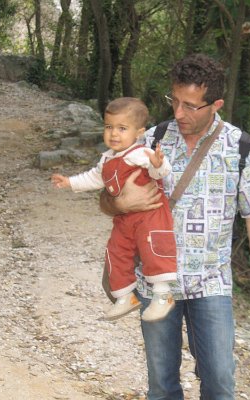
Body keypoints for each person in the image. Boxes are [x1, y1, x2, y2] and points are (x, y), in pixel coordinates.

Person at [100, 54, 250, 399]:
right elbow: (107, 197)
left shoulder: (242, 149)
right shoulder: (150, 140)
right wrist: (120, 204)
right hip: (156, 284)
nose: (179, 113)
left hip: (210, 283)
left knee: (220, 383)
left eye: (190, 106)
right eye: (174, 101)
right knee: (162, 386)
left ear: (215, 105)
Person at [51, 97, 177, 322]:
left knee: (153, 250)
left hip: (150, 216)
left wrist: (158, 164)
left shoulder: (140, 153)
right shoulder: (107, 158)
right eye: (109, 127)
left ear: (139, 132)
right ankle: (124, 295)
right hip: (125, 218)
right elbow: (94, 178)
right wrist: (70, 182)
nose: (114, 134)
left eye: (122, 128)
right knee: (116, 252)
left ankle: (162, 295)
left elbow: (159, 171)